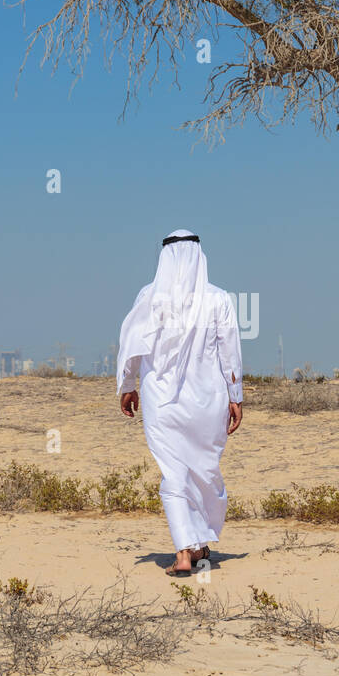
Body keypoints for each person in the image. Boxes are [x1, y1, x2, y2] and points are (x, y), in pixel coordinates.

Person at [116, 229, 244, 575]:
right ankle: (195, 546)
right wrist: (236, 397)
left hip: (162, 402)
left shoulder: (149, 296)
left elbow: (132, 346)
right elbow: (229, 353)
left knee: (174, 473)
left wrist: (128, 385)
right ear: (200, 255)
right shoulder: (218, 298)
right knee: (203, 471)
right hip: (208, 400)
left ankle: (189, 551)